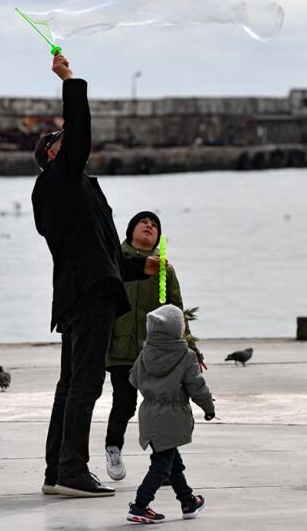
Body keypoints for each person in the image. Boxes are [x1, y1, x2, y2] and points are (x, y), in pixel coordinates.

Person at [32, 53, 159, 497]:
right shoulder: (60, 180)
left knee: (70, 385)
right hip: (88, 297)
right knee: (85, 383)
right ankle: (72, 470)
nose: (68, 141)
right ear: (52, 154)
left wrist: (136, 267)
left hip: (80, 291)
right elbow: (81, 131)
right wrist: (70, 80)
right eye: (60, 140)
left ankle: (56, 471)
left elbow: (95, 253)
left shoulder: (70, 188)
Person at [104, 211, 205, 481]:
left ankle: (164, 466)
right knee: (124, 403)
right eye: (143, 222)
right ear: (131, 230)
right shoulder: (115, 260)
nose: (149, 226)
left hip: (154, 352)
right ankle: (113, 448)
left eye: (155, 225)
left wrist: (191, 349)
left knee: (161, 408)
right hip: (120, 348)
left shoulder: (164, 269)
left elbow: (177, 311)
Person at [126, 305, 214, 524]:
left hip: (149, 414)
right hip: (172, 417)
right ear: (177, 330)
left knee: (172, 462)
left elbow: (133, 379)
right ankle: (140, 505)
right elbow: (197, 386)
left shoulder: (145, 353)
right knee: (161, 465)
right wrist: (208, 407)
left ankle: (188, 501)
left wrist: (152, 388)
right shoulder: (186, 356)